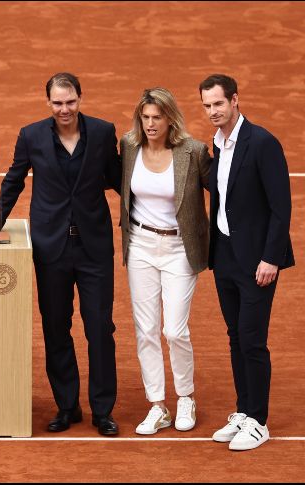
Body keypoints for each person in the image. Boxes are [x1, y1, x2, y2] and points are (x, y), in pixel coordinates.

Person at [0, 72, 121, 435]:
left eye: (70, 101)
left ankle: (102, 411)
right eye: (57, 102)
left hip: (94, 248)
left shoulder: (102, 132)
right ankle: (67, 406)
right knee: (56, 327)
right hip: (51, 249)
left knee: (99, 328)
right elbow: (14, 180)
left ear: (80, 98)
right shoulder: (31, 135)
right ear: (48, 102)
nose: (64, 109)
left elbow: (118, 178)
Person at [199, 74, 294, 451]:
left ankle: (258, 421)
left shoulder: (263, 143)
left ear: (235, 100)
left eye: (218, 104)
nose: (213, 112)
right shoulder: (218, 143)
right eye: (207, 106)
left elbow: (280, 206)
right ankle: (243, 410)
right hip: (224, 258)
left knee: (253, 340)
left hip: (257, 262)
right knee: (236, 336)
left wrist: (271, 257)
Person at [119, 87, 211, 435]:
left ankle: (185, 396)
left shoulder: (193, 151)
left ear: (170, 118)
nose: (151, 124)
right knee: (146, 331)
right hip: (140, 245)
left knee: (174, 330)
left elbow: (219, 189)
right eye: (145, 118)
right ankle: (158, 405)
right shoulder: (129, 147)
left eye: (157, 117)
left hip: (179, 250)